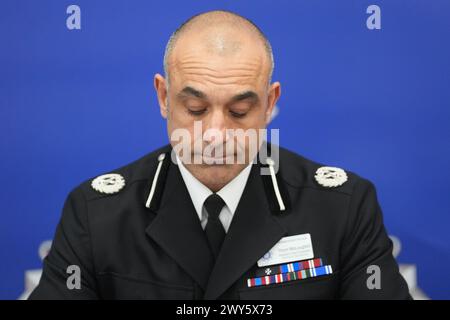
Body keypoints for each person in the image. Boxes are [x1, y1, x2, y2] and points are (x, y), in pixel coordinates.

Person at [29, 10, 410, 299]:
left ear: (270, 102)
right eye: (195, 109)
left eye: (239, 112)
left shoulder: (342, 208)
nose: (215, 135)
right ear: (163, 97)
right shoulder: (97, 215)